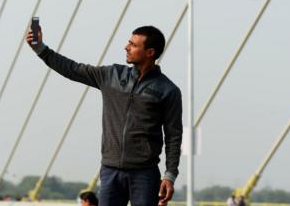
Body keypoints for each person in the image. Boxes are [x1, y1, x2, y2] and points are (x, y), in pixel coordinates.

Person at [26, 24, 183, 206]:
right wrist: (40, 49)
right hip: (110, 172)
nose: (126, 47)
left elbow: (174, 135)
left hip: (145, 174)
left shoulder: (168, 90)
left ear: (150, 52)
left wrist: (170, 175)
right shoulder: (111, 75)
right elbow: (72, 68)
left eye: (133, 44)